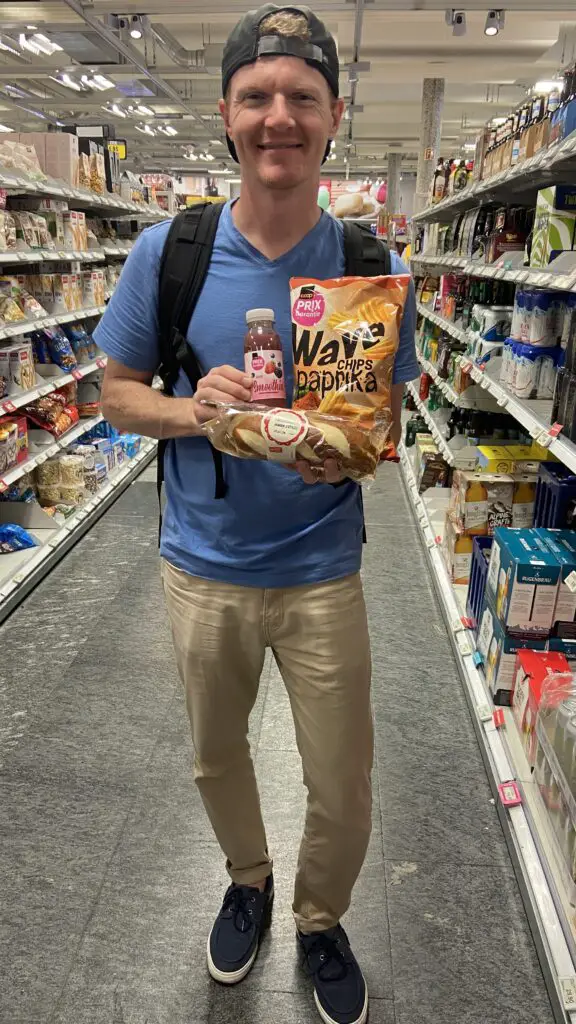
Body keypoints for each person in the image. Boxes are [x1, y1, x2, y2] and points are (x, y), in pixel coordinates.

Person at [96, 5, 419, 1023]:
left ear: (332, 120)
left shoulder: (367, 262)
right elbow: (114, 393)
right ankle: (250, 879)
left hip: (324, 567)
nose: (278, 116)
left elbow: (392, 413)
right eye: (257, 96)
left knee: (343, 779)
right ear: (228, 117)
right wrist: (195, 409)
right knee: (212, 752)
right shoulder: (171, 250)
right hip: (203, 562)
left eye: (301, 97)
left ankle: (320, 919)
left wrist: (358, 443)